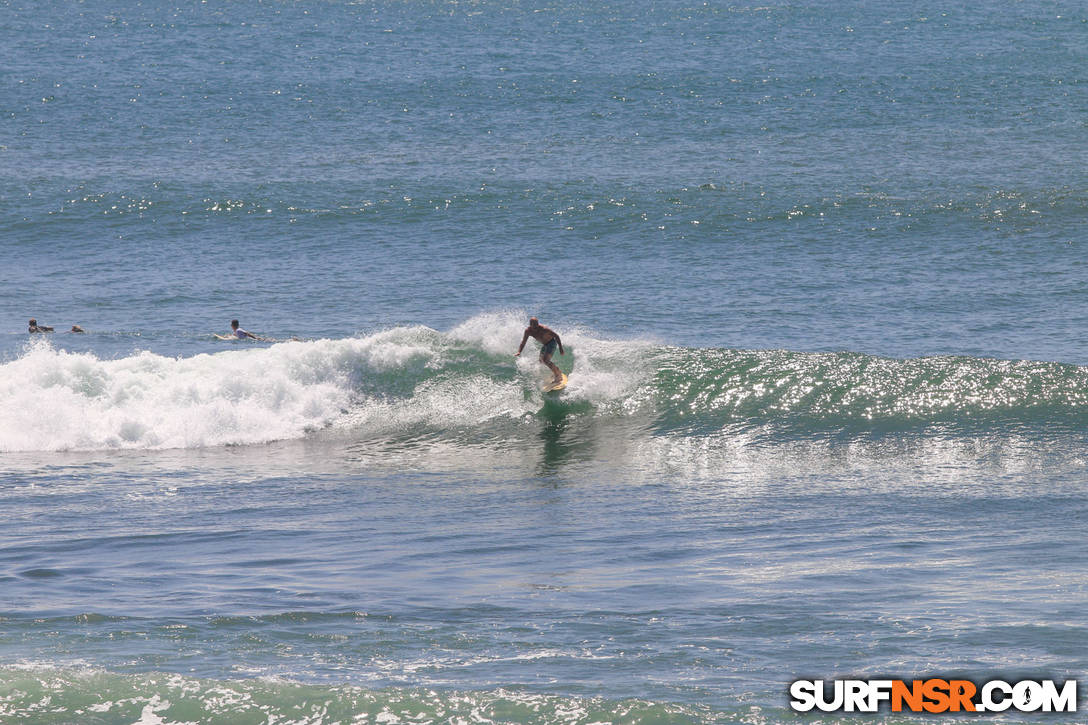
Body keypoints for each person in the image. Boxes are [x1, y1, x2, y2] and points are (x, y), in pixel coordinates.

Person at [515, 317, 565, 383]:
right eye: (534, 327)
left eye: (537, 325)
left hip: (551, 343)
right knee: (541, 360)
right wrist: (519, 351)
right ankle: (556, 370)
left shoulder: (544, 329)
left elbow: (556, 336)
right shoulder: (528, 331)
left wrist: (561, 348)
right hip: (545, 345)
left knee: (546, 360)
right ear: (530, 325)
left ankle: (558, 376)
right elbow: (523, 342)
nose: (536, 328)